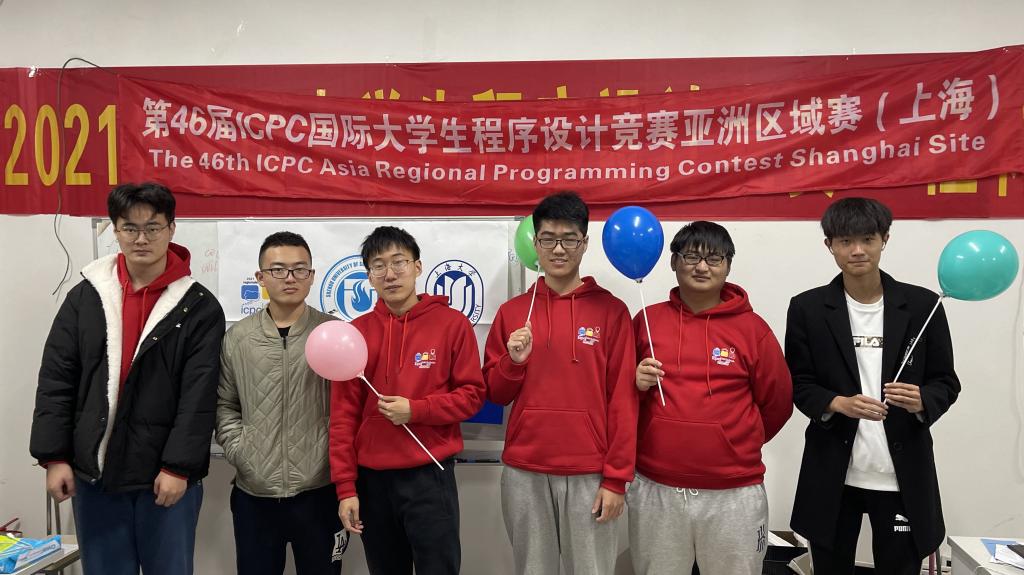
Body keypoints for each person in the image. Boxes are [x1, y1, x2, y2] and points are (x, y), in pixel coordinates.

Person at [30, 182, 225, 575]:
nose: (141, 238)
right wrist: (54, 457)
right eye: (130, 228)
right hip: (96, 476)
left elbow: (199, 396)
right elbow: (57, 379)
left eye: (152, 227)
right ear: (114, 231)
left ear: (171, 228)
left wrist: (178, 467)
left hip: (164, 480)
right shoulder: (86, 297)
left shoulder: (199, 307)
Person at [786, 197, 961, 574]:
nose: (857, 250)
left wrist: (922, 399)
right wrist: (836, 403)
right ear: (829, 245)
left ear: (885, 239)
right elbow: (799, 383)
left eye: (867, 239)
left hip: (900, 473)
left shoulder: (923, 305)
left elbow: (946, 382)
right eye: (845, 241)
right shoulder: (807, 308)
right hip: (833, 471)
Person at [483, 191, 638, 575]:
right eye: (548, 238)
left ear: (584, 243)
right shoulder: (513, 313)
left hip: (591, 472)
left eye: (569, 239)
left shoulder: (612, 312)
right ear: (535, 243)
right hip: (525, 471)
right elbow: (496, 394)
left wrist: (616, 480)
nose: (558, 249)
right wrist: (513, 363)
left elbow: (623, 399)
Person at [630, 221, 793, 575]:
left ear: (728, 265)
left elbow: (778, 403)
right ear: (673, 261)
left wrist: (733, 441)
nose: (702, 267)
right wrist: (636, 384)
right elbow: (621, 400)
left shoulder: (753, 330)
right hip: (657, 487)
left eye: (714, 258)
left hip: (733, 493)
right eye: (691, 256)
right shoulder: (646, 321)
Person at [330, 226, 485, 575]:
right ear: (369, 276)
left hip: (430, 475)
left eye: (398, 262)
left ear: (417, 267)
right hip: (372, 481)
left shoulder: (452, 324)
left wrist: (417, 410)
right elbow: (342, 417)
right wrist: (346, 488)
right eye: (378, 265)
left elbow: (472, 396)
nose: (390, 274)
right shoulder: (356, 333)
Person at [216, 231, 346, 575]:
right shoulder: (238, 338)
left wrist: (329, 456)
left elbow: (350, 410)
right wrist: (241, 451)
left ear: (312, 276)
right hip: (254, 496)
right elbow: (225, 404)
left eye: (299, 269)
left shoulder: (333, 334)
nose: (290, 278)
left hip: (320, 492)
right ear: (260, 277)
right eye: (278, 269)